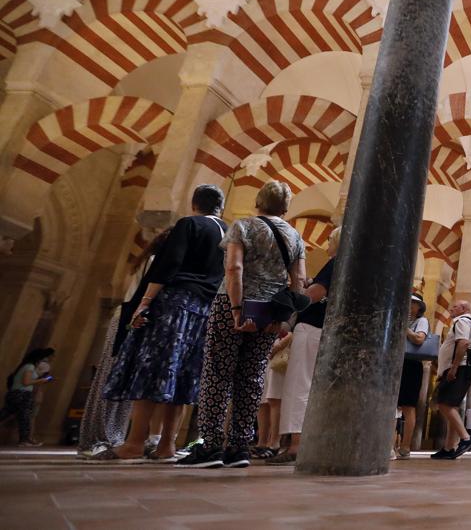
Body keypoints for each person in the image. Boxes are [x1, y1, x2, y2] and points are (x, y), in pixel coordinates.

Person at [179, 180, 306, 469]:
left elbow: (234, 267)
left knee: (217, 374)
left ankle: (211, 446)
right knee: (252, 379)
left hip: (232, 304)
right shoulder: (295, 237)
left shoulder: (244, 227)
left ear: (259, 201)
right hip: (269, 312)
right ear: (285, 207)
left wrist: (236, 308)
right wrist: (282, 318)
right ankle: (239, 447)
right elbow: (299, 282)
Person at [99, 185, 228, 462]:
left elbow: (169, 264)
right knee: (184, 377)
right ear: (221, 207)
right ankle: (167, 446)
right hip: (206, 310)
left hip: (175, 304)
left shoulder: (189, 224)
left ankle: (134, 443)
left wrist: (144, 302)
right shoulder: (229, 233)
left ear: (195, 204)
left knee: (151, 369)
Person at [267, 230, 337, 466]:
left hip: (311, 329)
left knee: (299, 385)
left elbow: (318, 293)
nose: (327, 244)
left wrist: (292, 303)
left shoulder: (336, 261)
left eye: (329, 240)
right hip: (326, 331)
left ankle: (296, 444)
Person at [76, 306, 131, 458]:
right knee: (112, 382)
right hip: (130, 322)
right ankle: (99, 441)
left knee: (124, 393)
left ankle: (111, 440)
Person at [432, 300, 471, 460]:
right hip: (461, 368)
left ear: (464, 309)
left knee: (443, 403)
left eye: (455, 306)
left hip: (459, 368)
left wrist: (453, 367)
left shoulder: (462, 320)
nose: (451, 308)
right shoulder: (465, 321)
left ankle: (465, 438)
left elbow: (463, 343)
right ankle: (449, 447)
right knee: (451, 406)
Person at [395, 294, 431, 460]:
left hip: (411, 365)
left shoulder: (421, 321)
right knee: (393, 406)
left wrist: (403, 327)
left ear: (418, 307)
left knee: (408, 407)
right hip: (397, 364)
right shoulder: (406, 320)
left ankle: (405, 446)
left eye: (412, 303)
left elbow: (419, 339)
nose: (408, 305)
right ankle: (389, 445)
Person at [2, 348, 55, 446]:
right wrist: (40, 381)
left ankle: (24, 440)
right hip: (22, 394)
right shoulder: (29, 367)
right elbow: (26, 382)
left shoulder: (25, 366)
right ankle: (24, 440)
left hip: (16, 393)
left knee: (6, 413)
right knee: (24, 417)